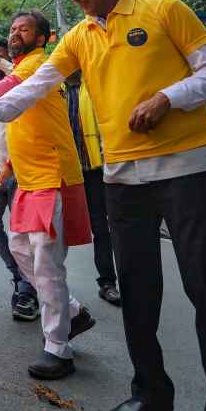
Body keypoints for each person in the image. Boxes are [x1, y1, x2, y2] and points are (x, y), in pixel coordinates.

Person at [0, 0, 206, 411]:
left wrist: (166, 99)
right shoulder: (78, 38)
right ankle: (151, 395)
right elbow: (39, 83)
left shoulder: (163, 10)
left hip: (187, 171)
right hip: (123, 180)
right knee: (137, 292)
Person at [0, 11, 95, 380]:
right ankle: (72, 312)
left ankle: (58, 348)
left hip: (52, 177)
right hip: (28, 179)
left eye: (25, 29)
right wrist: (8, 167)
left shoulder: (38, 63)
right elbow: (27, 124)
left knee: (48, 265)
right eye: (12, 28)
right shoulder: (24, 65)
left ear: (42, 38)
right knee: (21, 251)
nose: (15, 32)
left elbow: (10, 92)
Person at [0, 40, 39, 321]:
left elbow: (22, 74)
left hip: (20, 167)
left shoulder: (22, 85)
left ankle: (27, 291)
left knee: (21, 236)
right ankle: (21, 274)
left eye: (2, 58)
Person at [63, 71, 121, 306]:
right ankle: (48, 285)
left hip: (95, 169)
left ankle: (107, 282)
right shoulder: (53, 89)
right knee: (54, 230)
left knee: (102, 227)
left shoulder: (96, 84)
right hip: (64, 173)